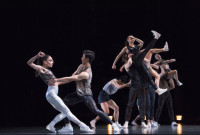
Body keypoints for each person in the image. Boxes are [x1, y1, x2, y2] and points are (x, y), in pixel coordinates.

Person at [48, 50, 120, 133]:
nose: (81, 58)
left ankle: (113, 124)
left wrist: (56, 80)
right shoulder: (81, 66)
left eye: (83, 57)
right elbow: (71, 77)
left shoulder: (86, 73)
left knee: (95, 110)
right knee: (63, 104)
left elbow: (73, 78)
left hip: (86, 95)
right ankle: (68, 126)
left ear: (87, 59)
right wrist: (57, 82)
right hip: (78, 93)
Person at [27, 51, 92, 133]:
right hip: (51, 94)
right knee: (67, 111)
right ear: (45, 62)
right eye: (50, 60)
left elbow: (58, 82)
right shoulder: (41, 68)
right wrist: (37, 55)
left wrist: (71, 78)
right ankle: (83, 126)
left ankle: (51, 125)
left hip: (51, 94)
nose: (52, 62)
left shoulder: (47, 70)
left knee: (64, 112)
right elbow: (29, 63)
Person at [117, 31, 167, 128]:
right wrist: (125, 60)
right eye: (128, 55)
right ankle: (126, 122)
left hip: (141, 85)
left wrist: (147, 62)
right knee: (130, 104)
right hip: (134, 86)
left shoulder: (136, 55)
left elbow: (142, 48)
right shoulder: (128, 64)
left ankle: (143, 122)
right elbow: (128, 63)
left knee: (143, 103)